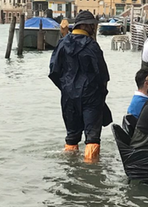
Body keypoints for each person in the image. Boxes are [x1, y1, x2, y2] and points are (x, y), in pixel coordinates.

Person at [48, 10, 112, 163]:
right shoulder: (92, 46)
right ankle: (91, 169)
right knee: (92, 137)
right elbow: (102, 75)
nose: (94, 29)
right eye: (92, 26)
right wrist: (101, 94)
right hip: (91, 97)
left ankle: (71, 164)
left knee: (71, 136)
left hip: (69, 97)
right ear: (85, 26)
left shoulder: (62, 44)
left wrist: (67, 88)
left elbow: (53, 72)